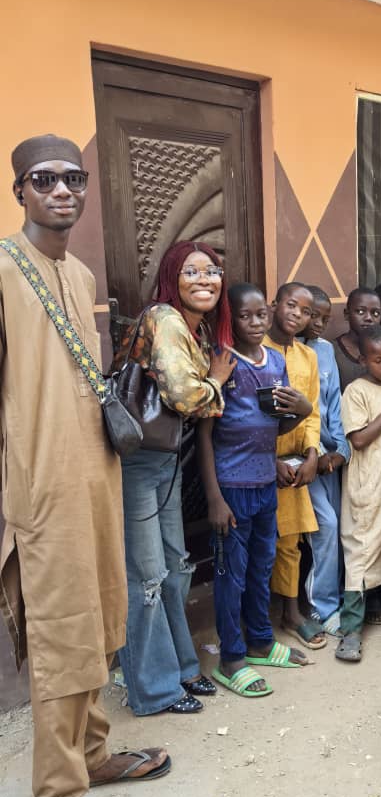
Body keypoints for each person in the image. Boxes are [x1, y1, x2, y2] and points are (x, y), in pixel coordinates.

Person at [1, 134, 167, 797]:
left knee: (102, 618)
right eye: (45, 179)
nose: (62, 190)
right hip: (42, 492)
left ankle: (94, 752)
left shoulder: (80, 270)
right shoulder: (4, 271)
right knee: (64, 639)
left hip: (93, 477)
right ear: (20, 192)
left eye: (74, 177)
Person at [115, 241, 236, 717]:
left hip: (164, 459)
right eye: (193, 271)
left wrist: (209, 392)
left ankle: (183, 668)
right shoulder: (165, 319)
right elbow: (188, 398)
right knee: (146, 577)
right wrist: (218, 383)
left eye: (213, 271)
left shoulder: (195, 328)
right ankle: (153, 689)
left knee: (174, 567)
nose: (206, 279)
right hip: (137, 462)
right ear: (172, 276)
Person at [197, 283, 314, 697]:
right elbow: (205, 432)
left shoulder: (275, 361)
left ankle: (261, 641)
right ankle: (231, 658)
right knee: (231, 574)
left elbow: (275, 423)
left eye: (260, 314)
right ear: (230, 318)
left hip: (266, 482)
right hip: (232, 486)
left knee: (262, 566)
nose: (254, 322)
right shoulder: (222, 362)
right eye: (244, 316)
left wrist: (301, 412)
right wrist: (214, 497)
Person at [336, 326, 381, 662]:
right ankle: (350, 629)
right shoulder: (356, 391)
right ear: (363, 360)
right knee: (361, 550)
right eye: (378, 360)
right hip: (366, 483)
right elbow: (360, 439)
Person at [264, 283, 326, 649]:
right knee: (258, 544)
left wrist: (313, 454)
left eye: (305, 312)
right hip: (259, 462)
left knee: (291, 542)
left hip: (296, 463)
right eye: (290, 305)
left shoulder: (307, 357)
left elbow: (312, 410)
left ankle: (290, 613)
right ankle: (255, 617)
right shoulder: (257, 351)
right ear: (274, 305)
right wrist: (267, 459)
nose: (297, 315)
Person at [302, 285, 350, 636]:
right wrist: (314, 452)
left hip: (329, 457)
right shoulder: (281, 352)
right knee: (325, 527)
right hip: (302, 457)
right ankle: (324, 606)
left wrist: (339, 451)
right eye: (311, 315)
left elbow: (333, 403)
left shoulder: (325, 350)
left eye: (323, 318)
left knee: (335, 528)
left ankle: (331, 596)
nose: (317, 323)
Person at [333, 287, 381, 390]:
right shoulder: (332, 351)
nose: (369, 318)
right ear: (347, 314)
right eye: (360, 312)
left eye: (375, 313)